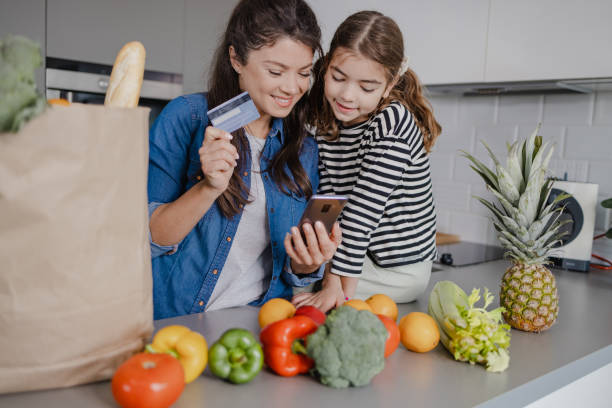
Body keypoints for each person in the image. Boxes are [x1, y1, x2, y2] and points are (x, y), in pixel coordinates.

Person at [147, 0, 341, 319]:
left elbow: (294, 271)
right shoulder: (185, 117)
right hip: (174, 321)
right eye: (276, 71)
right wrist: (208, 188)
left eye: (304, 73)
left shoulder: (304, 149)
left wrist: (309, 261)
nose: (292, 88)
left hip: (257, 326)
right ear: (236, 58)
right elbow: (150, 240)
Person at [293, 10, 441, 312]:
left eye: (366, 87)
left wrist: (338, 292)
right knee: (295, 276)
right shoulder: (328, 119)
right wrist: (320, 261)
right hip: (357, 255)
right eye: (338, 77)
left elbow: (361, 216)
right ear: (327, 66)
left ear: (389, 85)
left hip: (397, 268)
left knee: (298, 290)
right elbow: (330, 201)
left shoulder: (393, 123)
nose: (347, 95)